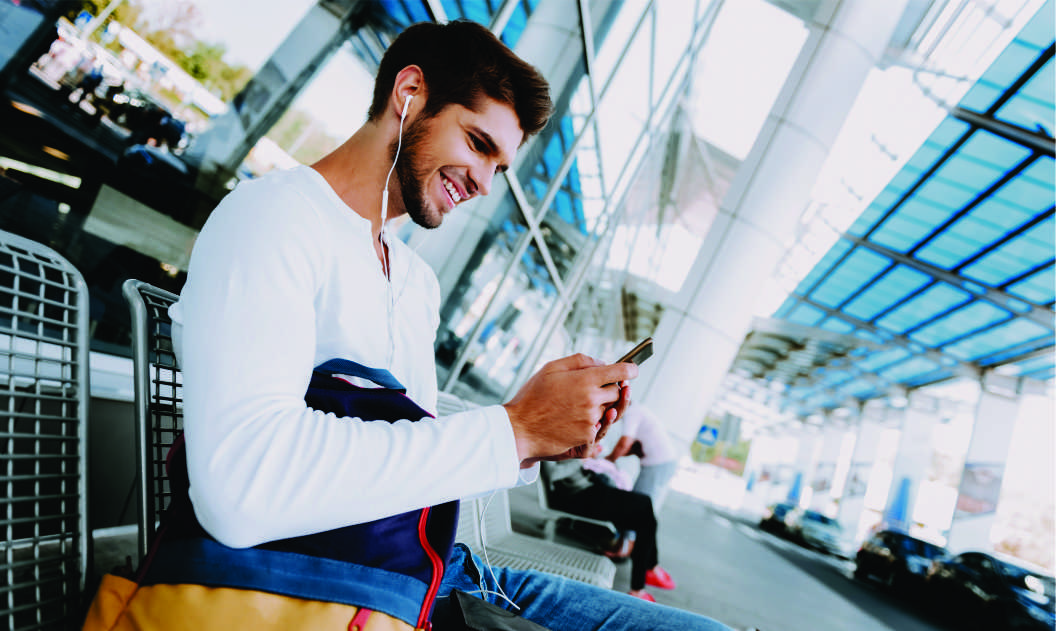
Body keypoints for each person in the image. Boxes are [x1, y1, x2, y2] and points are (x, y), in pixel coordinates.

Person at [84, 20, 731, 631]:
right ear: (410, 91)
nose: (483, 182)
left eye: (500, 168)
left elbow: (410, 464)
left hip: (428, 576)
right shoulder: (275, 218)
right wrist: (510, 428)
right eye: (478, 144)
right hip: (331, 587)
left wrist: (535, 437)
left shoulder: (414, 281)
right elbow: (242, 486)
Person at [543, 459, 678, 602]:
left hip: (589, 490)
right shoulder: (548, 444)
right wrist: (580, 458)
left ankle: (644, 578)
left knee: (645, 514)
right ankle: (645, 576)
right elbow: (553, 473)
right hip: (574, 497)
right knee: (644, 508)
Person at [605, 402, 679, 515]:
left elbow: (625, 444)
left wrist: (609, 460)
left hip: (658, 464)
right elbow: (631, 447)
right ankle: (629, 532)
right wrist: (613, 457)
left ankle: (629, 533)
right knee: (641, 501)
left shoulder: (632, 413)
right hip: (663, 463)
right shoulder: (639, 411)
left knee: (639, 503)